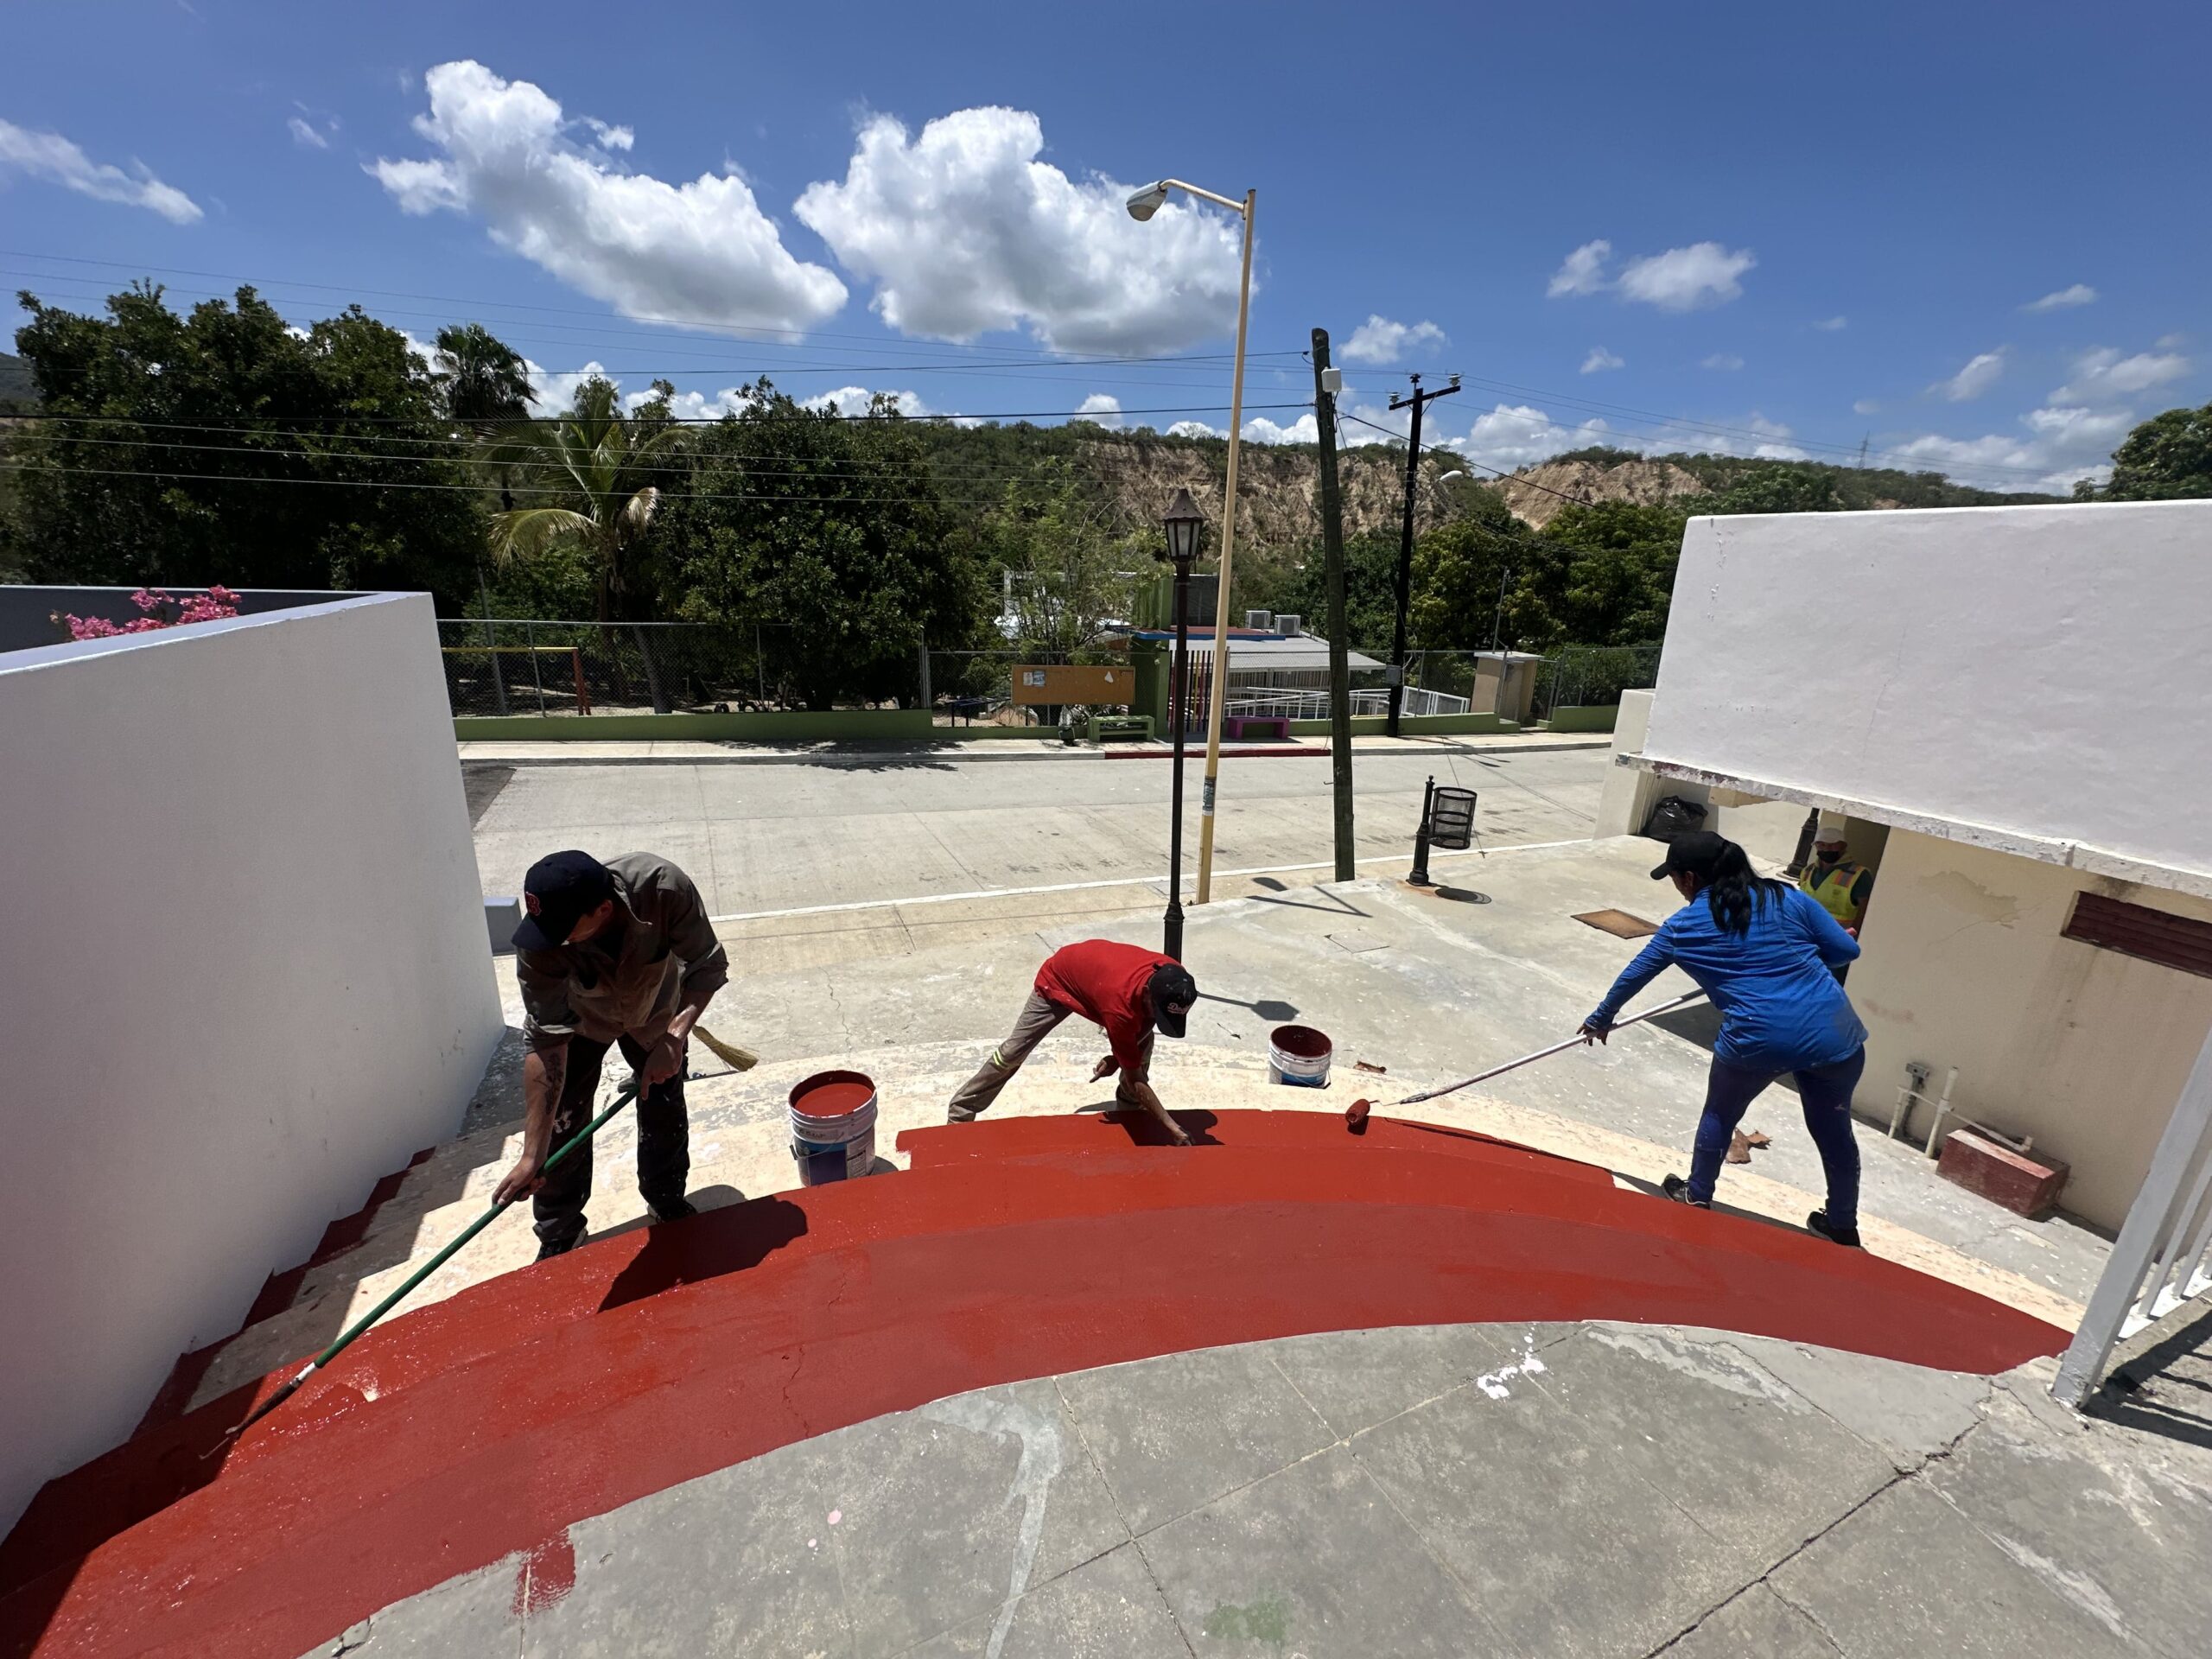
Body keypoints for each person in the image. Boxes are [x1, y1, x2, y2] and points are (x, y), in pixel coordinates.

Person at [1580, 830, 1869, 1246]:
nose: (1677, 888)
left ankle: (1697, 1194)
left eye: (1675, 878)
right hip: (1834, 1033)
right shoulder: (1788, 897)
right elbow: (1846, 952)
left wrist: (1601, 1018)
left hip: (1758, 1038)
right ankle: (1842, 1224)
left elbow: (1635, 974)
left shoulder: (1681, 927)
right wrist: (1802, 951)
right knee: (1834, 1129)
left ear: (1690, 878)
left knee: (1720, 1113)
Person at [494, 850, 729, 1260]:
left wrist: (674, 1039)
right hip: (581, 1024)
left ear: (603, 910)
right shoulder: (542, 939)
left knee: (663, 1102)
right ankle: (559, 1231)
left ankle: (666, 1198)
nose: (551, 941)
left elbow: (708, 965)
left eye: (564, 932)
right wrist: (532, 1153)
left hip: (655, 1014)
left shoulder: (663, 889)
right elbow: (546, 1042)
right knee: (563, 1120)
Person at [950, 940, 1199, 1145]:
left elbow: (1144, 1026)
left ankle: (1130, 1110)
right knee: (1012, 1053)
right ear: (1146, 993)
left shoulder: (1175, 978)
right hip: (1058, 979)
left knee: (1142, 1045)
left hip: (1098, 983)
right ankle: (960, 1112)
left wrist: (1118, 1058)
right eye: (1158, 1012)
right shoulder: (1120, 1007)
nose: (1159, 1018)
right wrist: (1171, 1126)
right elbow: (1135, 1077)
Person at [1798, 824, 1875, 981]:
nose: (1826, 849)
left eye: (1832, 845)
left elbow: (1865, 909)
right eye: (1821, 845)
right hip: (1806, 938)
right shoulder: (1808, 871)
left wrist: (1851, 937)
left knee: (1829, 982)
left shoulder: (1858, 874)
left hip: (1836, 941)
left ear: (1842, 846)